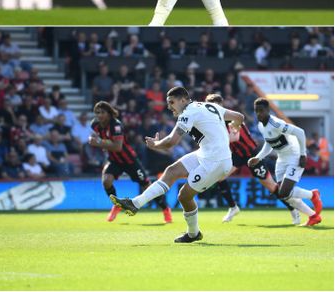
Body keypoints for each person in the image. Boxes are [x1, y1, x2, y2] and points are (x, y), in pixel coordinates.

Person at [110, 87, 244, 243]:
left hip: (216, 162)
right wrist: (236, 126)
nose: (169, 107)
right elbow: (239, 116)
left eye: (172, 102)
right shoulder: (209, 105)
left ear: (183, 100)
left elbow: (171, 142)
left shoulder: (188, 113)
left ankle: (193, 234)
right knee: (172, 171)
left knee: (184, 196)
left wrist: (155, 145)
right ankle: (135, 203)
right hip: (207, 154)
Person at [203, 94, 300, 225]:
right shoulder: (215, 123)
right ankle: (233, 207)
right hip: (237, 155)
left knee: (271, 186)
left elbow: (235, 138)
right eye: (210, 106)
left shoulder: (232, 118)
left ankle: (293, 209)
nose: (213, 109)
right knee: (219, 177)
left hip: (252, 155)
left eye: (216, 106)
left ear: (221, 106)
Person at [89, 102, 172, 223]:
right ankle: (117, 205)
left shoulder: (116, 125)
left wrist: (99, 142)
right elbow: (94, 136)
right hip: (114, 160)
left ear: (109, 113)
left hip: (129, 160)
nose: (99, 115)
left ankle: (165, 209)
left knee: (147, 186)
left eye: (102, 112)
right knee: (106, 181)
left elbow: (118, 147)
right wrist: (93, 139)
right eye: (97, 112)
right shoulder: (95, 125)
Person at [250, 98, 324, 227]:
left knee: (284, 192)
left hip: (294, 156)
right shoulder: (261, 126)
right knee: (283, 195)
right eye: (256, 111)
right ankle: (313, 216)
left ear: (268, 110)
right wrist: (258, 157)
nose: (258, 114)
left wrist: (303, 154)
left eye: (261, 111)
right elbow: (269, 143)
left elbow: (300, 132)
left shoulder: (276, 124)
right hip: (281, 158)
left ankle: (313, 195)